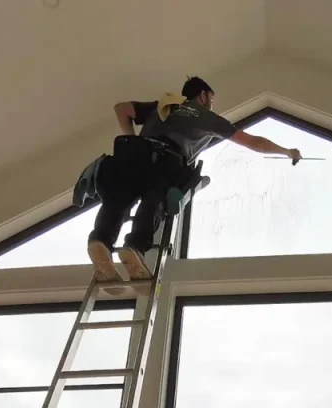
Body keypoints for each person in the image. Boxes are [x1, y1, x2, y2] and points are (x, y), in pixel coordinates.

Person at [85, 76, 302, 288]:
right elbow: (254, 142)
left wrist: (132, 139)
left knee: (118, 200)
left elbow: (121, 108)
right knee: (154, 201)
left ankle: (100, 240)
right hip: (166, 160)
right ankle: (134, 247)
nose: (212, 104)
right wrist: (287, 151)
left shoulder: (164, 105)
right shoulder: (205, 117)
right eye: (212, 100)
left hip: (132, 156)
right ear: (204, 95)